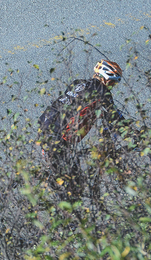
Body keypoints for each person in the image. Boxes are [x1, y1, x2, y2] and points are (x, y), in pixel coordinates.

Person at [36, 60, 136, 197]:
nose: (112, 87)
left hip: (47, 125)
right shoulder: (102, 92)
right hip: (58, 137)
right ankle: (67, 211)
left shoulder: (78, 83)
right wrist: (133, 134)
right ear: (104, 78)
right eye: (112, 83)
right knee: (74, 187)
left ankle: (48, 181)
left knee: (65, 172)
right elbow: (114, 119)